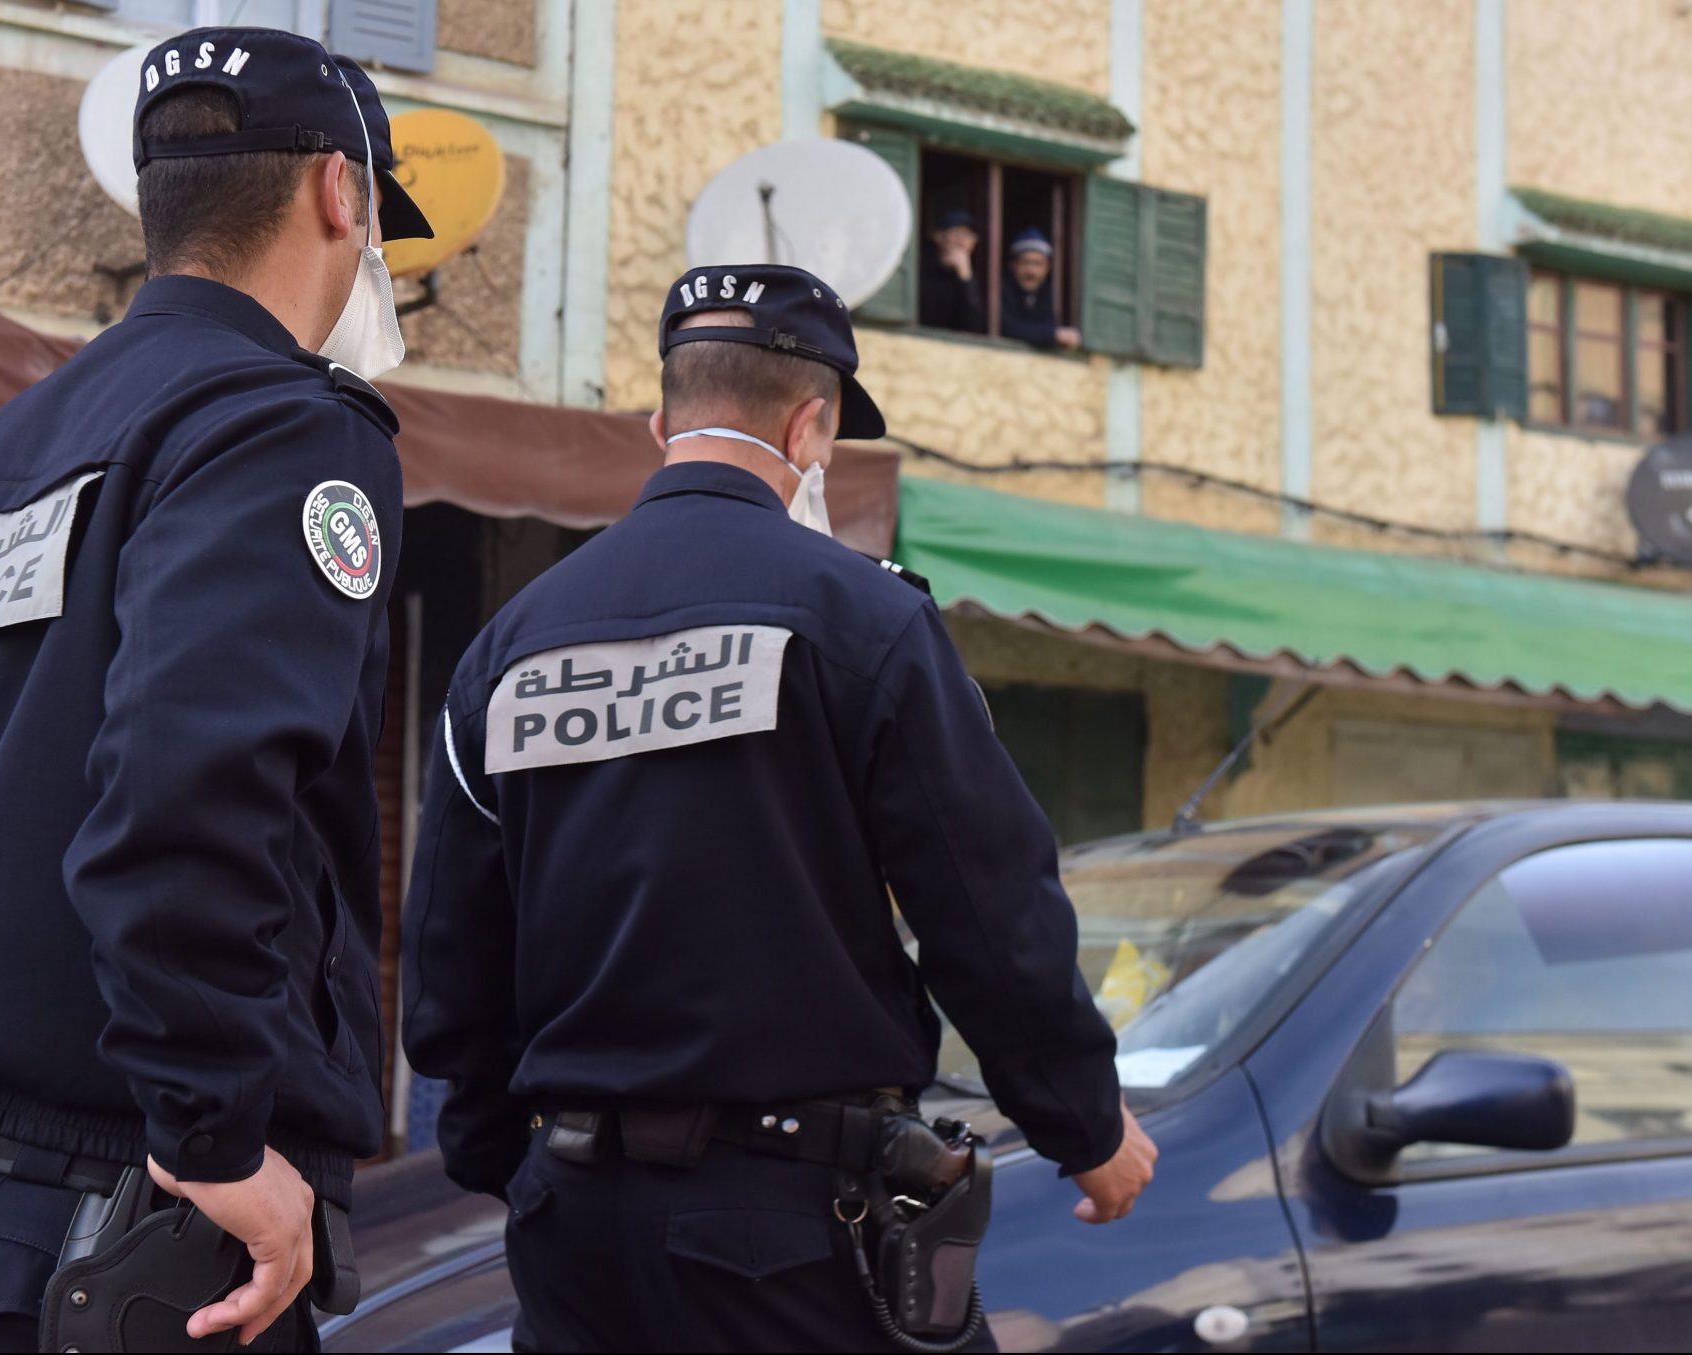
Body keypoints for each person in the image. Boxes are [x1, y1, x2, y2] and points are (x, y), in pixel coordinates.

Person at [0, 27, 427, 1352]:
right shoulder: (280, 426)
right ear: (341, 192)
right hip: (107, 1245)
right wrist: (213, 1129)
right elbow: (186, 793)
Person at [402, 263, 1157, 1353]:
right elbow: (988, 909)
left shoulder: (510, 645)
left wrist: (507, 1159)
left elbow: (451, 951)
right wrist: (1082, 1123)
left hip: (573, 1231)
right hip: (790, 1232)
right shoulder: (864, 623)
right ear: (811, 429)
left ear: (662, 422)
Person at [998, 227, 1081, 351]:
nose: (1031, 271)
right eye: (1025, 262)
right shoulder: (1000, 290)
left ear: (1047, 268)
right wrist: (1054, 335)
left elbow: (1049, 325)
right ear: (1013, 265)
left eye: (1038, 264)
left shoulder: (1046, 294)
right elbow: (1005, 327)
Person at [919, 207, 986, 333]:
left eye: (968, 235)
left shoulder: (976, 278)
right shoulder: (920, 268)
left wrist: (965, 278)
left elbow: (974, 329)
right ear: (938, 237)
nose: (962, 241)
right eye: (957, 233)